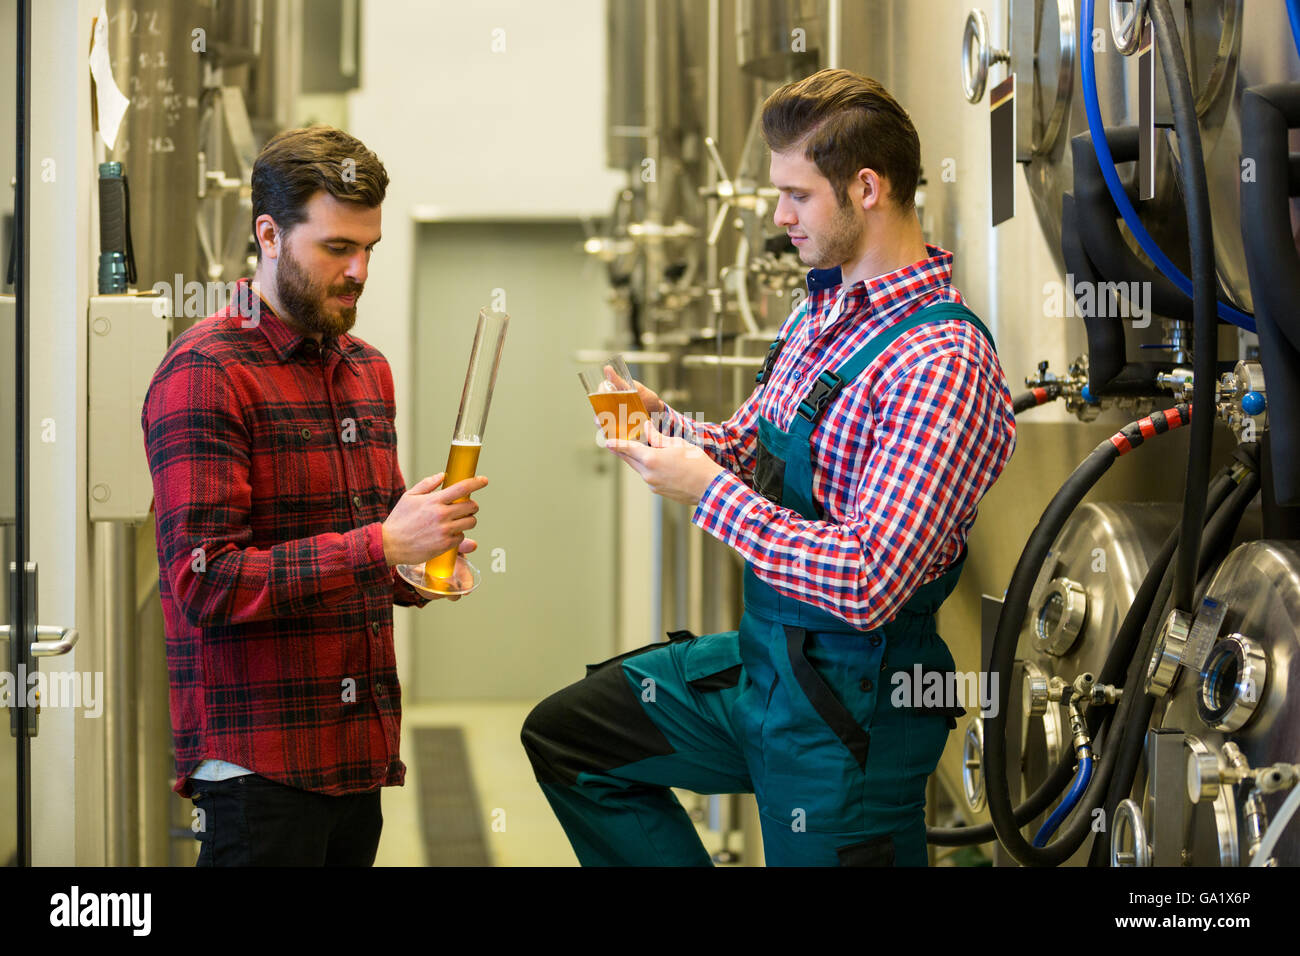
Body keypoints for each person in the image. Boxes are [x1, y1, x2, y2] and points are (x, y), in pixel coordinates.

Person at [521, 69, 1016, 866]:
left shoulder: (939, 359)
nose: (779, 216)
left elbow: (868, 579)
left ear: (866, 188)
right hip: (767, 668)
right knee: (573, 737)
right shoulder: (818, 311)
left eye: (796, 194)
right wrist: (668, 428)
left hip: (852, 713)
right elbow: (755, 449)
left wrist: (706, 493)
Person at [141, 125, 488, 866]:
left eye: (369, 249)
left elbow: (366, 549)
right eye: (337, 248)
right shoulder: (205, 372)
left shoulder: (367, 370)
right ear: (269, 234)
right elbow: (207, 582)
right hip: (258, 769)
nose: (359, 270)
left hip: (355, 756)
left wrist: (421, 561)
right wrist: (384, 546)